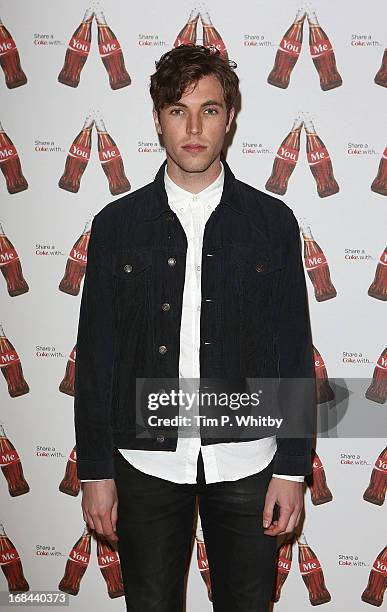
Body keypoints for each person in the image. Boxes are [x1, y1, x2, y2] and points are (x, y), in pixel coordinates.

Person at [74, 44, 316, 612]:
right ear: (157, 118)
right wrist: (94, 471)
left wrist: (291, 467)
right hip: (146, 461)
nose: (193, 127)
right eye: (178, 110)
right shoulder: (116, 225)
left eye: (209, 110)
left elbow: (293, 350)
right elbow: (97, 358)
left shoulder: (272, 223)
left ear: (230, 119)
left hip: (249, 459)